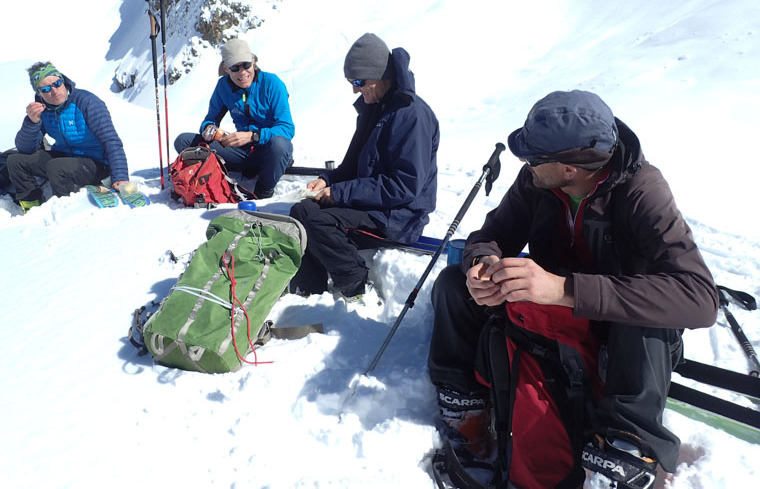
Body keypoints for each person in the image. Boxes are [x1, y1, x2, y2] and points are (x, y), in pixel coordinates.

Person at [427, 90, 718, 487]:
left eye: (533, 158)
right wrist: (483, 264)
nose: (526, 165)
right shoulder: (536, 181)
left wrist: (565, 290)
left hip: (617, 336)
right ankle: (468, 412)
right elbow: (491, 235)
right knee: (452, 284)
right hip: (552, 320)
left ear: (568, 168)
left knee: (646, 319)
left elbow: (699, 298)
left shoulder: (641, 191)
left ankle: (625, 446)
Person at [288, 33, 440, 300]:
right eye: (351, 83)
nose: (355, 89)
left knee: (319, 221)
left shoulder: (411, 115)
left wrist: (340, 193)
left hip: (399, 216)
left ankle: (356, 284)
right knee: (302, 211)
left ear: (380, 75)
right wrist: (327, 181)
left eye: (359, 82)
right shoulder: (377, 108)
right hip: (377, 205)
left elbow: (405, 186)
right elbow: (352, 166)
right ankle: (309, 292)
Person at [173, 38, 294, 199]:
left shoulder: (272, 84)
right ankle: (214, 175)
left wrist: (253, 136)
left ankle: (263, 191)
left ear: (254, 62)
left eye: (246, 65)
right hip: (242, 152)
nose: (243, 72)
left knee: (280, 145)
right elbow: (209, 120)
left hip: (268, 150)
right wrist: (209, 130)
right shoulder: (223, 86)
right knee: (184, 141)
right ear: (226, 68)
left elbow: (286, 128)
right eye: (235, 68)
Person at [8, 61, 130, 213]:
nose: (54, 91)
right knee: (16, 161)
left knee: (57, 167)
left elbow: (111, 141)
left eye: (57, 83)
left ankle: (67, 209)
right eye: (46, 89)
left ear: (63, 80)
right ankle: (32, 207)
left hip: (97, 163)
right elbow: (26, 149)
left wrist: (120, 175)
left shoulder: (86, 101)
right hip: (65, 158)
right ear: (39, 93)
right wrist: (32, 123)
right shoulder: (42, 110)